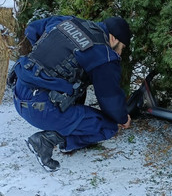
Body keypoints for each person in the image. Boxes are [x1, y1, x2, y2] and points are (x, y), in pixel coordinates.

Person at [11, 14, 132, 171]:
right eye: (122, 48)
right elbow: (109, 98)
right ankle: (48, 141)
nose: (120, 53)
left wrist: (46, 62)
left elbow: (32, 29)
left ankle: (61, 128)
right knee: (108, 127)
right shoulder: (104, 54)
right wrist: (122, 118)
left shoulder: (66, 21)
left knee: (76, 85)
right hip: (40, 110)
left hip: (18, 93)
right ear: (114, 39)